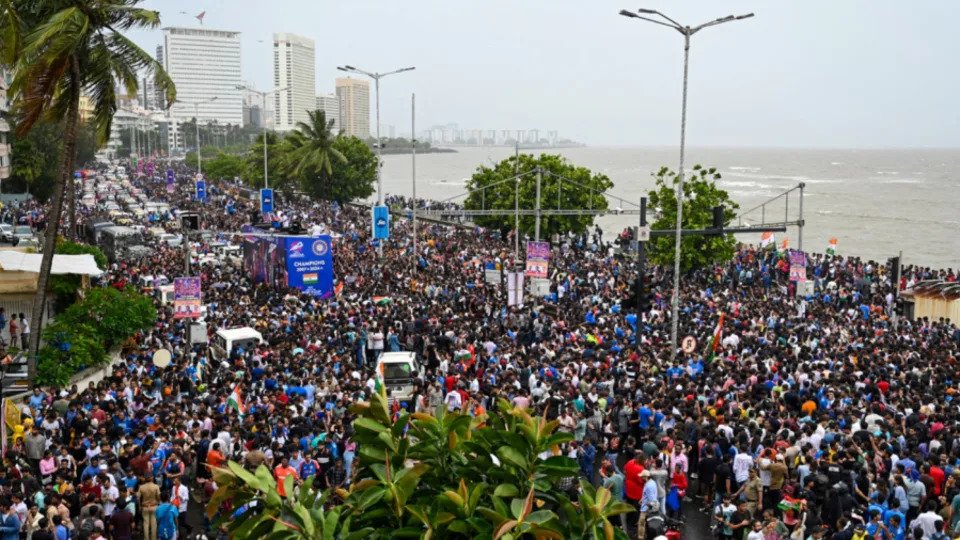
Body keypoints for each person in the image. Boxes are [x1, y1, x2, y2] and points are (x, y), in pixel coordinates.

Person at [137, 474, 161, 540]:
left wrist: (139, 506)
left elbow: (138, 497)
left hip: (145, 507)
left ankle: (146, 538)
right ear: (152, 478)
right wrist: (158, 502)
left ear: (145, 478)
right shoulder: (156, 486)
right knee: (154, 525)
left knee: (146, 524)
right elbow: (159, 496)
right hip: (154, 506)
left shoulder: (141, 487)